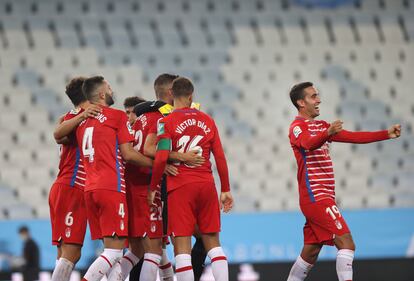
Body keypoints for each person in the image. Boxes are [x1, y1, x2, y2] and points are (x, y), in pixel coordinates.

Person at [287, 82, 401, 281]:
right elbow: (308, 144)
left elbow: (353, 137)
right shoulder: (296, 128)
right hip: (315, 197)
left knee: (310, 253)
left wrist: (386, 134)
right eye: (313, 96)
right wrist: (327, 133)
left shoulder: (322, 126)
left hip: (323, 197)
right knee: (346, 243)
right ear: (301, 102)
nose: (319, 100)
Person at [149, 77, 234, 281]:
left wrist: (153, 187)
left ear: (171, 95)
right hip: (206, 185)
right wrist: (226, 189)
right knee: (213, 243)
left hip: (180, 187)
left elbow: (161, 157)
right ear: (191, 96)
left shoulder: (165, 122)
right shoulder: (207, 120)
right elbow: (220, 156)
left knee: (182, 248)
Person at [76, 76, 153, 281]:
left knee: (111, 251)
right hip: (111, 187)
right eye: (109, 87)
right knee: (114, 252)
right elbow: (128, 154)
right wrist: (156, 165)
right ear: (102, 94)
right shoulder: (116, 116)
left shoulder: (82, 122)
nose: (112, 90)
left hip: (90, 189)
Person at [141, 74, 207, 281]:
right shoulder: (162, 116)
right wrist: (177, 157)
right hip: (170, 188)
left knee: (157, 248)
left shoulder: (146, 112)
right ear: (171, 93)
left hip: (177, 186)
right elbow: (149, 148)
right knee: (176, 244)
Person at [49, 77, 101, 281]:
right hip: (73, 186)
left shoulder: (68, 117)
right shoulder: (83, 117)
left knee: (64, 253)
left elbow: (60, 134)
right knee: (71, 253)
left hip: (63, 186)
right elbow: (57, 135)